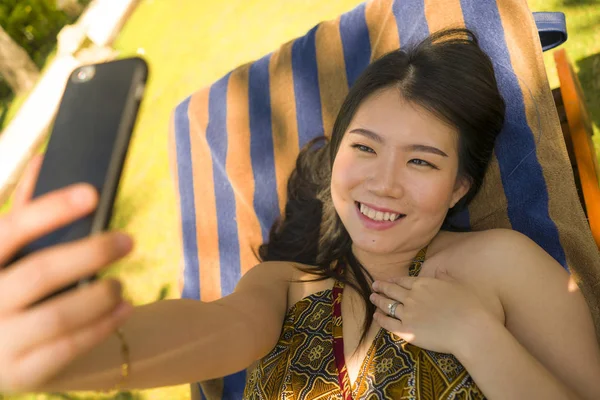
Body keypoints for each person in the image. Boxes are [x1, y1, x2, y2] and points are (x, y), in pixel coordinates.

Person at [0, 29, 599, 400]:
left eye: (422, 161)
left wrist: (476, 336)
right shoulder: (286, 286)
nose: (382, 183)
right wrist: (65, 356)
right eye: (363, 147)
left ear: (459, 187)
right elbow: (208, 332)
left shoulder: (499, 265)